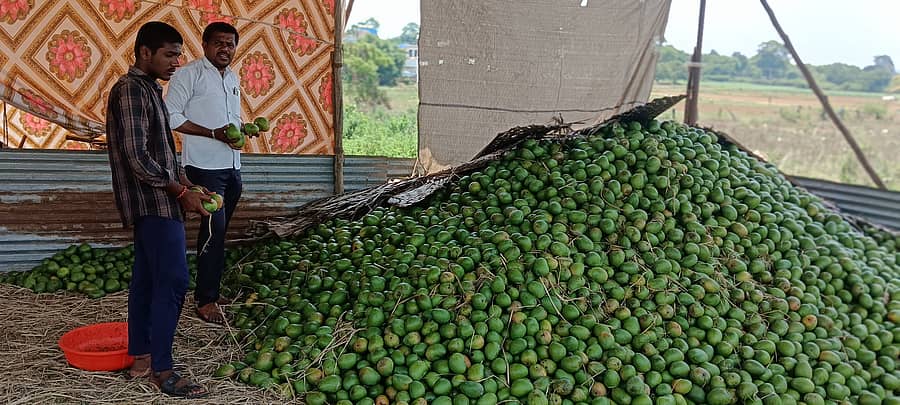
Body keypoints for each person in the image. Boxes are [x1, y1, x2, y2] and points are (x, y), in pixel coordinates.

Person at [106, 21, 210, 398]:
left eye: (179, 54)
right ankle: (163, 370)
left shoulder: (148, 90)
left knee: (146, 282)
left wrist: (189, 183)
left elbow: (163, 155)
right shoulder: (131, 90)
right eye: (169, 54)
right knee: (174, 281)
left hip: (159, 201)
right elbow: (138, 159)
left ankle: (141, 359)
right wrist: (181, 191)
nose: (176, 62)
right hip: (155, 204)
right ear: (144, 53)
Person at [166, 22, 254, 325]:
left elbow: (229, 118)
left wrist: (239, 129)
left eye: (230, 44)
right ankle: (205, 301)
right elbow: (171, 116)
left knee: (219, 234)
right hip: (204, 167)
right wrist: (212, 133)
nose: (224, 49)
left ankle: (211, 291)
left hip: (232, 165)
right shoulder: (188, 74)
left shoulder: (232, 77)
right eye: (218, 43)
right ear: (204, 45)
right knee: (213, 234)